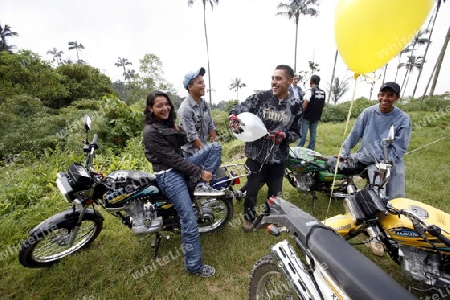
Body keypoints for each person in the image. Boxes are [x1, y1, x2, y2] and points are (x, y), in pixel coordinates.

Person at [142, 90, 224, 278]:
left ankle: (203, 185)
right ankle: (194, 266)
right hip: (169, 175)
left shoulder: (167, 124)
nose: (165, 108)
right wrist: (198, 172)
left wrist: (179, 131)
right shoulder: (150, 132)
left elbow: (183, 144)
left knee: (215, 146)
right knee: (189, 220)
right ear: (150, 109)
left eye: (166, 104)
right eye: (159, 105)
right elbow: (172, 160)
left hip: (181, 164)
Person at [228, 65, 302, 232]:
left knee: (275, 193)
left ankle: (271, 219)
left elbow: (297, 132)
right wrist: (233, 117)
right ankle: (248, 219)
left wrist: (284, 136)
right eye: (273, 78)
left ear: (290, 81)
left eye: (279, 78)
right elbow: (239, 108)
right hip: (256, 154)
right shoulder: (261, 98)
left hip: (278, 157)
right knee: (252, 189)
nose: (274, 82)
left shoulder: (296, 105)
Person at [340, 82, 411, 199]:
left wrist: (386, 162)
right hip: (370, 159)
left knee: (397, 198)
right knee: (379, 195)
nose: (385, 98)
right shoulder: (368, 112)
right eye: (382, 94)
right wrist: (344, 153)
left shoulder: (403, 118)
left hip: (392, 160)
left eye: (390, 95)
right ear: (378, 95)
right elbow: (355, 134)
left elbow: (400, 147)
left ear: (397, 98)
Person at [178, 67, 217, 157]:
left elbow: (211, 126)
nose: (203, 85)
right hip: (190, 153)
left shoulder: (205, 105)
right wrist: (206, 154)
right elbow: (192, 136)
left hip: (204, 148)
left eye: (203, 82)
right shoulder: (186, 108)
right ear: (190, 87)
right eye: (200, 83)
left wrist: (215, 147)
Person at [297, 75, 326, 150]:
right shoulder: (323, 93)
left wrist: (300, 114)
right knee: (313, 134)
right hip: (316, 117)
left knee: (303, 134)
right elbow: (324, 104)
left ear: (311, 82)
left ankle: (299, 148)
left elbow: (305, 104)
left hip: (307, 117)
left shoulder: (310, 91)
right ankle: (311, 148)